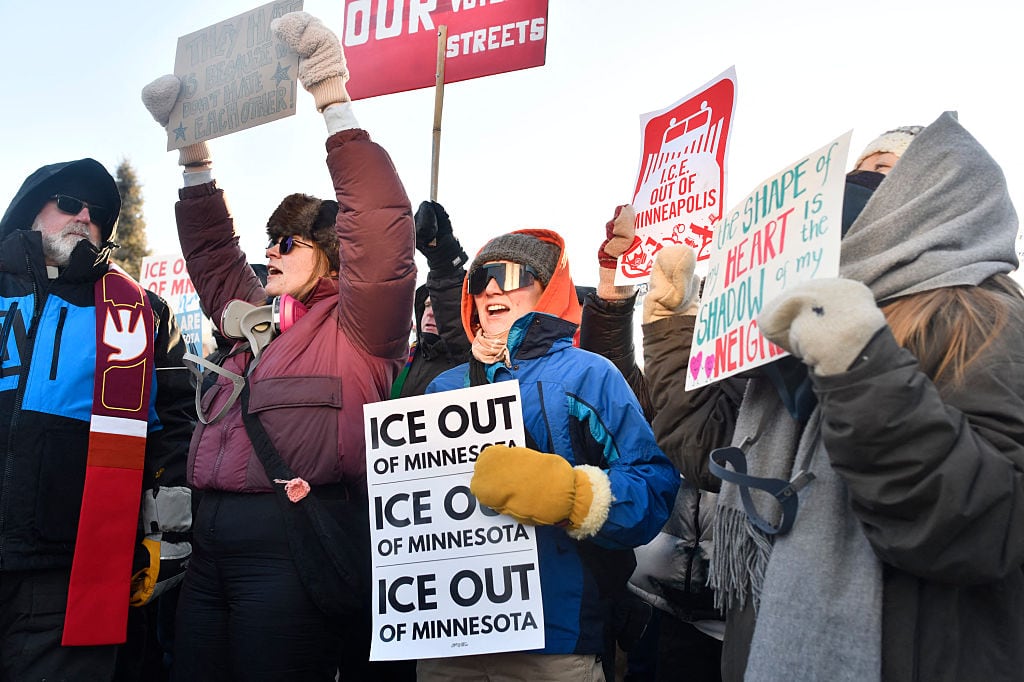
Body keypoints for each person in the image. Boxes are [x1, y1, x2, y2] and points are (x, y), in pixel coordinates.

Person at [647, 111, 1024, 682]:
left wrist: (860, 367)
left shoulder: (983, 312)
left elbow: (981, 527)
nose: (862, 183)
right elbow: (707, 453)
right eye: (858, 170)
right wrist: (672, 327)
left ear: (936, 194)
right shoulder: (793, 317)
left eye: (889, 171)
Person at [141, 11, 416, 681]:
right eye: (269, 242)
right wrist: (193, 150)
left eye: (287, 242)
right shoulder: (252, 321)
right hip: (210, 553)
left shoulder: (358, 327)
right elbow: (212, 254)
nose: (270, 252)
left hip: (291, 553)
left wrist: (330, 94)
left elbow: (379, 230)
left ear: (326, 254)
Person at [420, 228, 679, 681]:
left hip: (555, 638)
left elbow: (654, 486)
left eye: (511, 274)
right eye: (480, 278)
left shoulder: (588, 374)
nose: (492, 288)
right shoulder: (443, 387)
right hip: (448, 636)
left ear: (548, 288)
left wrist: (579, 498)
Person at [0, 158, 194, 680]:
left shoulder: (142, 313)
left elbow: (173, 428)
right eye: (68, 203)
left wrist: (168, 532)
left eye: (98, 212)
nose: (84, 216)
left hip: (71, 572)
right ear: (30, 207)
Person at [581, 205, 733, 682]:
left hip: (740, 624)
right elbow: (614, 377)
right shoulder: (664, 384)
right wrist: (613, 289)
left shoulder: (766, 385)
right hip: (656, 614)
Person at [391, 200, 470, 398]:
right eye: (427, 305)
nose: (432, 313)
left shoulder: (469, 361)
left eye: (438, 306)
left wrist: (443, 258)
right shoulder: (398, 360)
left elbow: (452, 310)